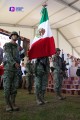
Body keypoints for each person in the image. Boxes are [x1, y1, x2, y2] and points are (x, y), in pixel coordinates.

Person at [3, 31, 20, 112]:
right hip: (8, 69)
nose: (15, 36)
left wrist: (22, 52)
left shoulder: (17, 47)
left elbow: (19, 57)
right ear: (11, 36)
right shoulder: (7, 45)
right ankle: (7, 104)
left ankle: (13, 103)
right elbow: (8, 55)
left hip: (16, 70)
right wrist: (14, 63)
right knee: (7, 87)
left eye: (16, 35)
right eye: (13, 35)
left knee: (14, 87)